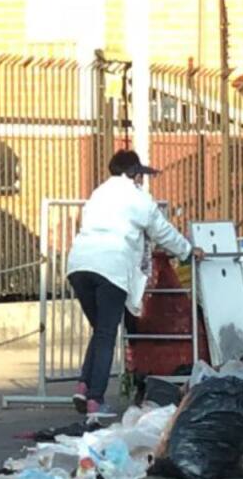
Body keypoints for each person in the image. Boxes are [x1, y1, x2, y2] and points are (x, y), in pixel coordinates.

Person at [66, 149, 204, 419]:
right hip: (112, 267)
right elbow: (162, 231)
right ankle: (95, 400)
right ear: (133, 174)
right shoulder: (138, 198)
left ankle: (83, 386)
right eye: (140, 175)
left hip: (79, 265)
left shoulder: (98, 194)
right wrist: (187, 251)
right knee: (107, 334)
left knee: (100, 329)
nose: (142, 180)